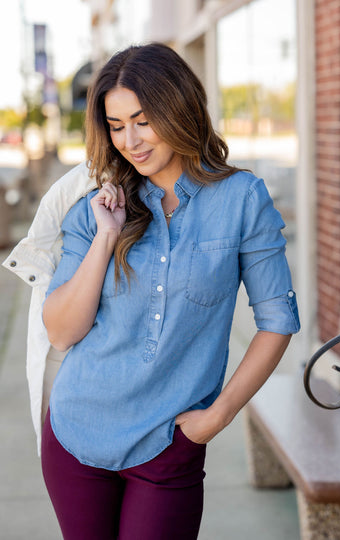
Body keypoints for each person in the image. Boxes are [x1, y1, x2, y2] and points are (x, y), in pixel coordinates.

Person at [4, 42, 300, 540]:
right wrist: (105, 236)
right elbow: (60, 331)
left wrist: (217, 416)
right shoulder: (95, 204)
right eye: (116, 126)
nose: (130, 141)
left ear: (179, 108)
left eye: (143, 120)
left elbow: (277, 320)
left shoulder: (242, 199)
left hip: (169, 443)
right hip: (77, 435)